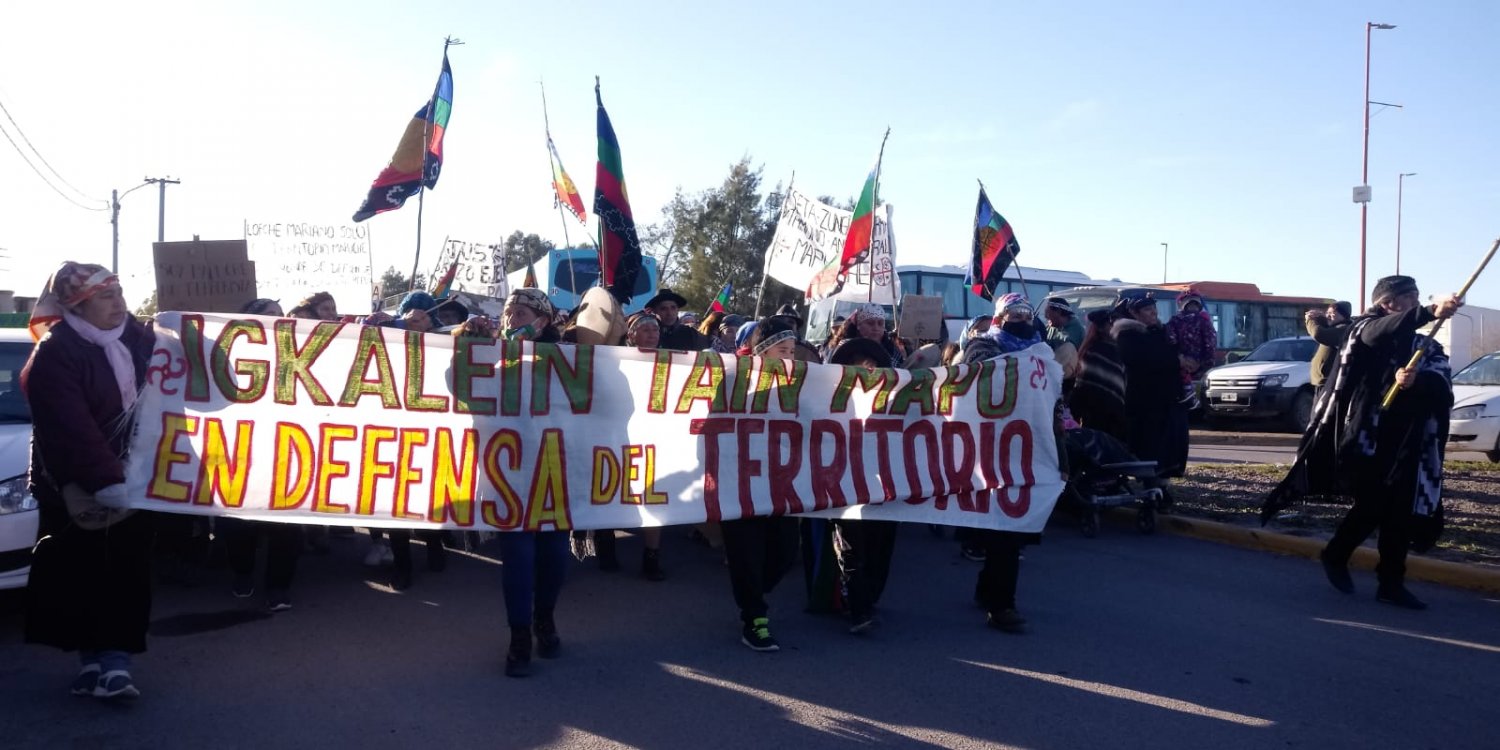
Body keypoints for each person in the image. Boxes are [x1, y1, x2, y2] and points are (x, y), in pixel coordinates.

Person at [1266, 277, 1462, 610]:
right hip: (1368, 438)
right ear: (1389, 303)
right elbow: (1374, 332)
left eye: (1418, 297)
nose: (1415, 301)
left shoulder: (1422, 344)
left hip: (1409, 440)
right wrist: (1430, 311)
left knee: (1397, 510)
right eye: (1409, 297)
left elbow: (1443, 385)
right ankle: (1337, 555)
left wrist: (1418, 381)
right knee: (1374, 505)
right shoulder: (1363, 331)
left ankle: (1389, 582)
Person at [22, 262, 157, 700]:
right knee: (81, 574)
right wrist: (105, 478)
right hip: (75, 485)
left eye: (120, 293)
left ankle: (116, 664)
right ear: (78, 306)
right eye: (106, 296)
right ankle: (92, 659)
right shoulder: (57, 353)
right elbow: (70, 428)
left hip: (130, 478)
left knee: (125, 572)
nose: (120, 303)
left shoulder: (136, 338)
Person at [960, 292, 1067, 633]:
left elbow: (1055, 410)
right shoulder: (984, 347)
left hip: (1032, 450)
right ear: (1000, 318)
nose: (1021, 321)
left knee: (1013, 529)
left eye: (1026, 314)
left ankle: (989, 589)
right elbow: (974, 379)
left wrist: (1060, 457)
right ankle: (1001, 605)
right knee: (1003, 527)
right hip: (992, 451)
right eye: (1014, 314)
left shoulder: (1044, 354)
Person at [497, 287, 573, 676]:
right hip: (509, 472)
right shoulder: (491, 357)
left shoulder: (569, 358)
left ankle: (545, 617)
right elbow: (452, 384)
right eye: (509, 313)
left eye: (521, 313)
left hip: (558, 469)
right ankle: (519, 634)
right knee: (518, 555)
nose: (511, 320)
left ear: (542, 322)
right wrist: (468, 341)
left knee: (555, 556)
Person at [721, 316, 802, 651]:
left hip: (782, 483)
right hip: (738, 482)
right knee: (746, 552)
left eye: (793, 351)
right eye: (782, 350)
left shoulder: (802, 383)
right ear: (763, 352)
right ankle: (754, 617)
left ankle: (753, 590)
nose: (789, 357)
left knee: (784, 550)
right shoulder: (730, 380)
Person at [221, 299, 304, 611]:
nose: (276, 320)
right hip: (240, 449)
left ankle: (279, 586)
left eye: (278, 315)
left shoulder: (301, 350)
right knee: (237, 523)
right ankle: (242, 573)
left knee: (287, 524)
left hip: (288, 449)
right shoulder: (227, 353)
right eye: (268, 315)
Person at [825, 337, 900, 634]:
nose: (867, 370)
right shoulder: (826, 397)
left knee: (881, 547)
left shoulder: (895, 398)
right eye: (860, 364)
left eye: (872, 365)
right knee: (851, 545)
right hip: (843, 483)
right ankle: (858, 607)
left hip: (885, 486)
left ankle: (868, 598)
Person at [591, 311, 668, 581]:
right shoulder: (611, 360)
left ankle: (651, 557)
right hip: (614, 435)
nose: (653, 334)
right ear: (631, 334)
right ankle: (605, 541)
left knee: (652, 496)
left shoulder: (670, 363)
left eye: (656, 330)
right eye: (646, 330)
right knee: (608, 488)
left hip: (651, 438)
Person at [1114, 295, 1189, 479]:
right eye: (1148, 309)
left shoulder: (1161, 332)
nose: (1154, 313)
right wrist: (1175, 361)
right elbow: (1144, 360)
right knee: (1150, 449)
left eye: (1154, 308)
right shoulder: (1127, 335)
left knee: (1169, 450)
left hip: (1168, 400)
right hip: (1145, 401)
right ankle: (1151, 491)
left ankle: (1162, 488)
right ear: (1134, 313)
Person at [1068, 309, 1129, 441]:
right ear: (1101, 328)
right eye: (1111, 323)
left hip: (1117, 411)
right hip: (1094, 412)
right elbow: (1082, 384)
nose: (1115, 326)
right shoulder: (1092, 351)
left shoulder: (1119, 348)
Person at [1164, 292, 1218, 408]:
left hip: (1185, 361)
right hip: (1191, 361)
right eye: (1191, 305)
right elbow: (1210, 342)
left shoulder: (1175, 320)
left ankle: (1190, 400)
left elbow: (1170, 339)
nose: (1193, 308)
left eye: (1195, 305)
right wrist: (1208, 361)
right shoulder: (1202, 320)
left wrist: (1178, 357)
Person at [1306, 300, 1353, 388]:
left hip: (1330, 384)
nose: (1328, 316)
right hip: (1323, 383)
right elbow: (1325, 323)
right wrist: (1318, 316)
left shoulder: (1344, 329)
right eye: (1327, 313)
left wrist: (1310, 320)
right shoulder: (1334, 328)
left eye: (1332, 313)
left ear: (1343, 315)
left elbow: (1318, 334)